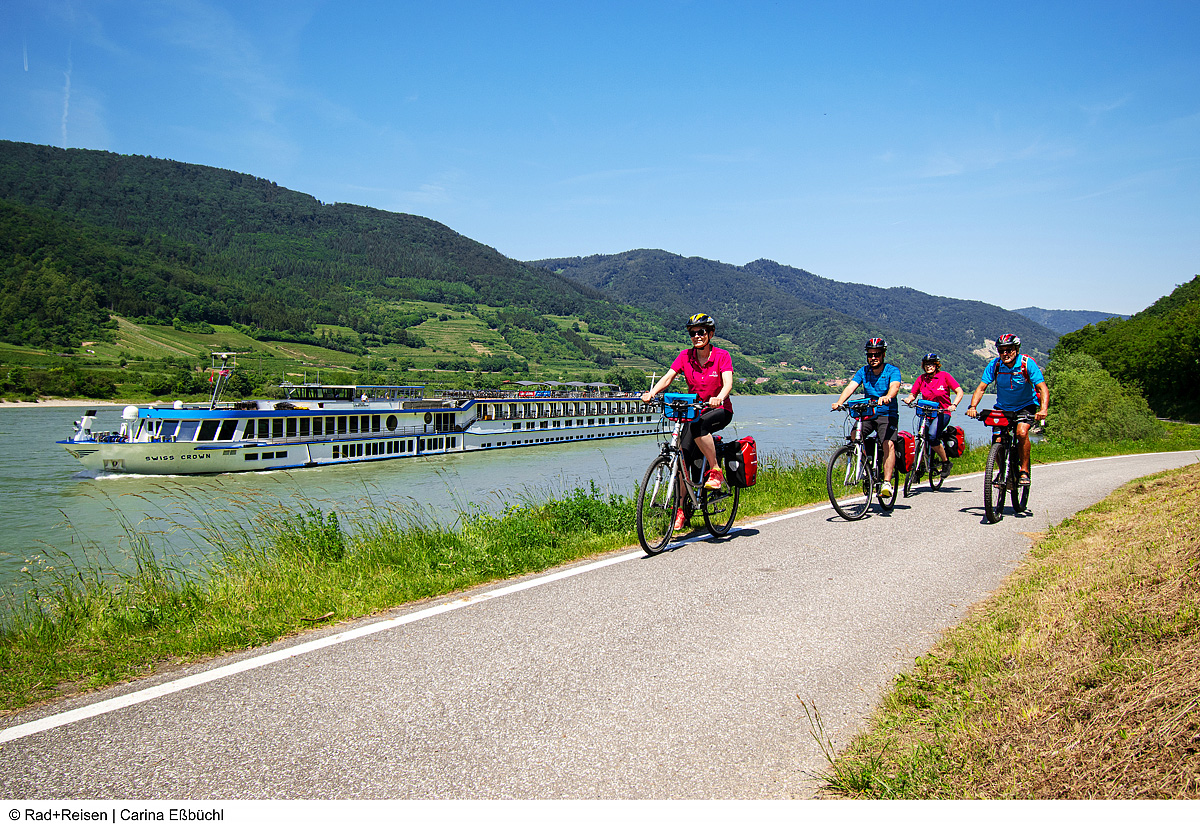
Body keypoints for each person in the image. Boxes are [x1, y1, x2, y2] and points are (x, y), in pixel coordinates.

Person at [641, 313, 735, 530]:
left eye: (701, 332)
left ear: (710, 334)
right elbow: (668, 377)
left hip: (719, 410)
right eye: (693, 333)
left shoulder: (722, 356)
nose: (697, 336)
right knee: (681, 456)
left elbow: (728, 383)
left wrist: (720, 397)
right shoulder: (685, 356)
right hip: (694, 412)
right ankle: (682, 509)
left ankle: (715, 470)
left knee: (698, 425)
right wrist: (652, 393)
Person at [965, 333, 1049, 487]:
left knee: (1021, 433)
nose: (1005, 353)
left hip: (1025, 406)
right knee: (997, 438)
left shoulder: (1026, 364)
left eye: (1009, 350)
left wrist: (1043, 409)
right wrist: (972, 407)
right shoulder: (995, 365)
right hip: (1003, 407)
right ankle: (1002, 471)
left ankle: (1024, 470)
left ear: (1016, 349)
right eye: (1001, 350)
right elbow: (982, 388)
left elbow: (1042, 388)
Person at [831, 337, 902, 499]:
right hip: (868, 413)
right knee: (854, 435)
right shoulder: (863, 371)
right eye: (870, 355)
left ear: (883, 355)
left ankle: (886, 482)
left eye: (877, 354)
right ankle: (866, 466)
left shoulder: (892, 370)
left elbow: (895, 386)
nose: (873, 358)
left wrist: (888, 396)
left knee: (888, 443)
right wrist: (840, 402)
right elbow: (851, 387)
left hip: (887, 413)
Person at [902, 353, 964, 474]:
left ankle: (946, 462)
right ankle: (920, 465)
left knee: (931, 436)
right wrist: (909, 399)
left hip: (942, 412)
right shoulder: (922, 378)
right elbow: (913, 394)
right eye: (926, 364)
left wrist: (954, 405)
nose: (928, 367)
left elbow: (959, 392)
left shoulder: (944, 376)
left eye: (931, 364)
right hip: (926, 412)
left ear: (936, 365)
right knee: (921, 436)